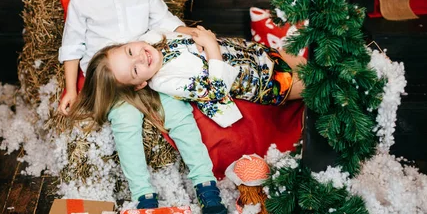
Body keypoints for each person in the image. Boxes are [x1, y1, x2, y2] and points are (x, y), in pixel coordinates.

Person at [57, 0, 228, 214]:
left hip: (147, 64)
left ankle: (205, 184)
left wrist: (189, 31)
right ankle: (143, 194)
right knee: (125, 121)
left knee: (178, 114)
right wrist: (71, 89)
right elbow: (72, 46)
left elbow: (164, 19)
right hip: (113, 74)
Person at [73, 26, 305, 130]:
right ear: (140, 84)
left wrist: (195, 33)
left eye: (130, 52)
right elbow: (215, 91)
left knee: (310, 64)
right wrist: (211, 47)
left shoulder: (151, 37)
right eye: (135, 70)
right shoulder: (167, 80)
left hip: (254, 52)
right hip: (262, 82)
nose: (140, 59)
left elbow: (177, 30)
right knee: (316, 85)